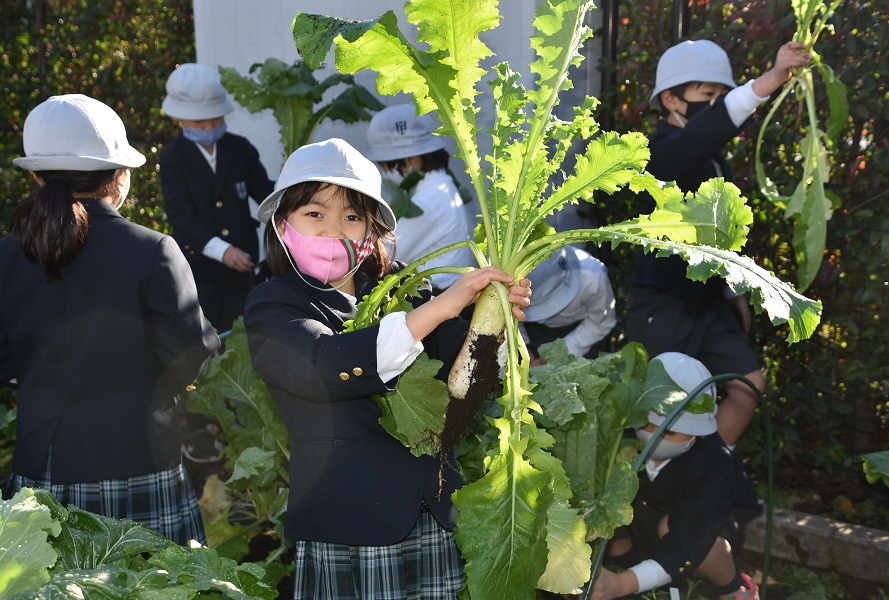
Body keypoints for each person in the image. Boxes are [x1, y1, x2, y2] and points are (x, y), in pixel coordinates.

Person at [243, 138, 531, 600]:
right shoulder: (274, 303)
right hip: (351, 523)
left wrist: (493, 324)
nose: (334, 231)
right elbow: (322, 366)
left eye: (352, 217)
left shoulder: (405, 292)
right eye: (314, 215)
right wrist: (442, 307)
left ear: (371, 231)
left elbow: (466, 384)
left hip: (433, 514)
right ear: (282, 225)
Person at [0, 94, 220, 545]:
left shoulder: (5, 255)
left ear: (37, 177)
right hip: (139, 457)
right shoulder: (154, 250)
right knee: (157, 587)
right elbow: (192, 353)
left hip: (42, 463)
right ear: (120, 178)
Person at [626, 39, 812, 446]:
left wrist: (733, 292)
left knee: (748, 389)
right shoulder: (660, 152)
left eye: (720, 96)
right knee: (658, 414)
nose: (715, 104)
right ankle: (655, 497)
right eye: (707, 95)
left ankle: (711, 473)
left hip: (708, 301)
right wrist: (771, 79)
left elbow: (720, 236)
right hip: (664, 301)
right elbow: (708, 131)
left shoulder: (710, 157)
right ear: (671, 100)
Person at [590, 352, 762, 600]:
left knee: (685, 535)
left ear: (700, 433)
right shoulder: (622, 437)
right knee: (610, 499)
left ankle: (732, 588)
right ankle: (626, 560)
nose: (652, 435)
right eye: (645, 423)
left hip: (703, 526)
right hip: (644, 518)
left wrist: (621, 583)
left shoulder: (715, 462)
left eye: (668, 430)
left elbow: (690, 536)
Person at [160, 62, 274, 332]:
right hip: (199, 273)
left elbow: (263, 192)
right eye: (201, 121)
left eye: (217, 118)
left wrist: (291, 184)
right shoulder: (173, 158)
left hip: (244, 269)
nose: (211, 125)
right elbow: (181, 218)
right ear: (179, 118)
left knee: (246, 334)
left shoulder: (240, 149)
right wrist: (222, 251)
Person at [366, 102, 477, 292]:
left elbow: (382, 257)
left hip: (439, 299)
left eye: (385, 165)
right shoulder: (439, 186)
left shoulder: (428, 201)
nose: (384, 173)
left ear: (411, 161)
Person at [522, 246, 617, 363]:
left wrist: (559, 355)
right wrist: (523, 348)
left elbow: (601, 323)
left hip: (581, 331)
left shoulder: (593, 278)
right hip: (530, 331)